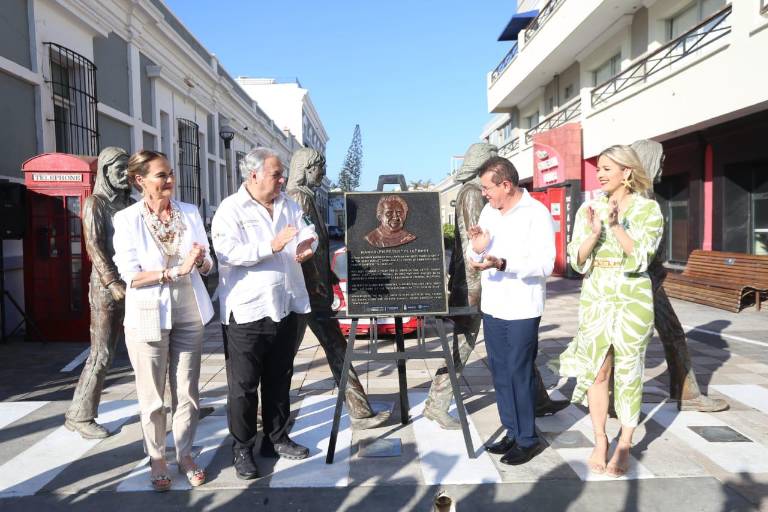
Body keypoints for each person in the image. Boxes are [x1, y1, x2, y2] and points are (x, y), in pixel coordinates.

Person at [212, 147, 317, 481]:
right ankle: (242, 446)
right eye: (276, 173)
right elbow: (227, 253)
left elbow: (309, 230)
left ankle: (276, 438)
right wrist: (271, 245)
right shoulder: (230, 209)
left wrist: (306, 246)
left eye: (282, 172)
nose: (282, 178)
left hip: (286, 305)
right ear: (253, 175)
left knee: (280, 377)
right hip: (248, 311)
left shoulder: (289, 204)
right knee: (243, 386)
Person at [113, 150, 215, 491]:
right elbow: (131, 275)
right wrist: (175, 271)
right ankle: (157, 457)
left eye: (170, 173)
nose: (170, 180)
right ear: (140, 180)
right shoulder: (127, 219)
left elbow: (208, 263)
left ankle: (185, 454)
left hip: (189, 309)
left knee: (187, 392)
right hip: (147, 313)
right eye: (161, 175)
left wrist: (200, 262)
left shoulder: (189, 212)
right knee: (153, 396)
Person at [559, 145, 663, 477]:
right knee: (597, 371)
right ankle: (601, 439)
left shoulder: (649, 210)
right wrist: (594, 233)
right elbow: (576, 258)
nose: (600, 174)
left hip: (633, 298)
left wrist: (617, 227)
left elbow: (644, 258)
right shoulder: (588, 208)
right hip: (596, 295)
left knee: (629, 372)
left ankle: (625, 443)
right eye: (599, 168)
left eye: (607, 168)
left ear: (627, 172)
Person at [286, 148, 389, 429]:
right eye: (320, 167)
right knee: (333, 348)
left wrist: (328, 274)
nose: (323, 173)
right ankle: (359, 411)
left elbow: (316, 247)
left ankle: (359, 410)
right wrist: (317, 280)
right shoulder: (299, 198)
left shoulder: (303, 197)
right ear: (307, 169)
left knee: (302, 353)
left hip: (311, 289)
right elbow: (302, 248)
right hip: (309, 293)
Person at [467, 156, 555, 465]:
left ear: (506, 184)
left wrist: (503, 263)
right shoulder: (489, 211)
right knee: (501, 374)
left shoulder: (537, 213)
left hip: (522, 307)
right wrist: (477, 248)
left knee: (519, 373)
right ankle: (513, 431)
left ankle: (528, 439)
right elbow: (476, 250)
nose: (484, 194)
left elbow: (546, 264)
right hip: (494, 305)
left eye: (487, 188)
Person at [631, 139, 727, 413]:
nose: (663, 167)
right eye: (660, 161)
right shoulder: (639, 201)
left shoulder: (646, 197)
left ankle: (687, 392)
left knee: (672, 335)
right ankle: (618, 399)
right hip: (643, 282)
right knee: (631, 341)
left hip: (653, 280)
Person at [65, 147, 133, 439]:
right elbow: (94, 247)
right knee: (102, 353)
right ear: (105, 171)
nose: (124, 174)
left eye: (126, 168)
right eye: (118, 168)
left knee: (155, 345)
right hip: (107, 289)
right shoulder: (96, 204)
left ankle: (178, 405)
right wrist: (112, 281)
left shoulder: (129, 204)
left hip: (134, 281)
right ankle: (80, 414)